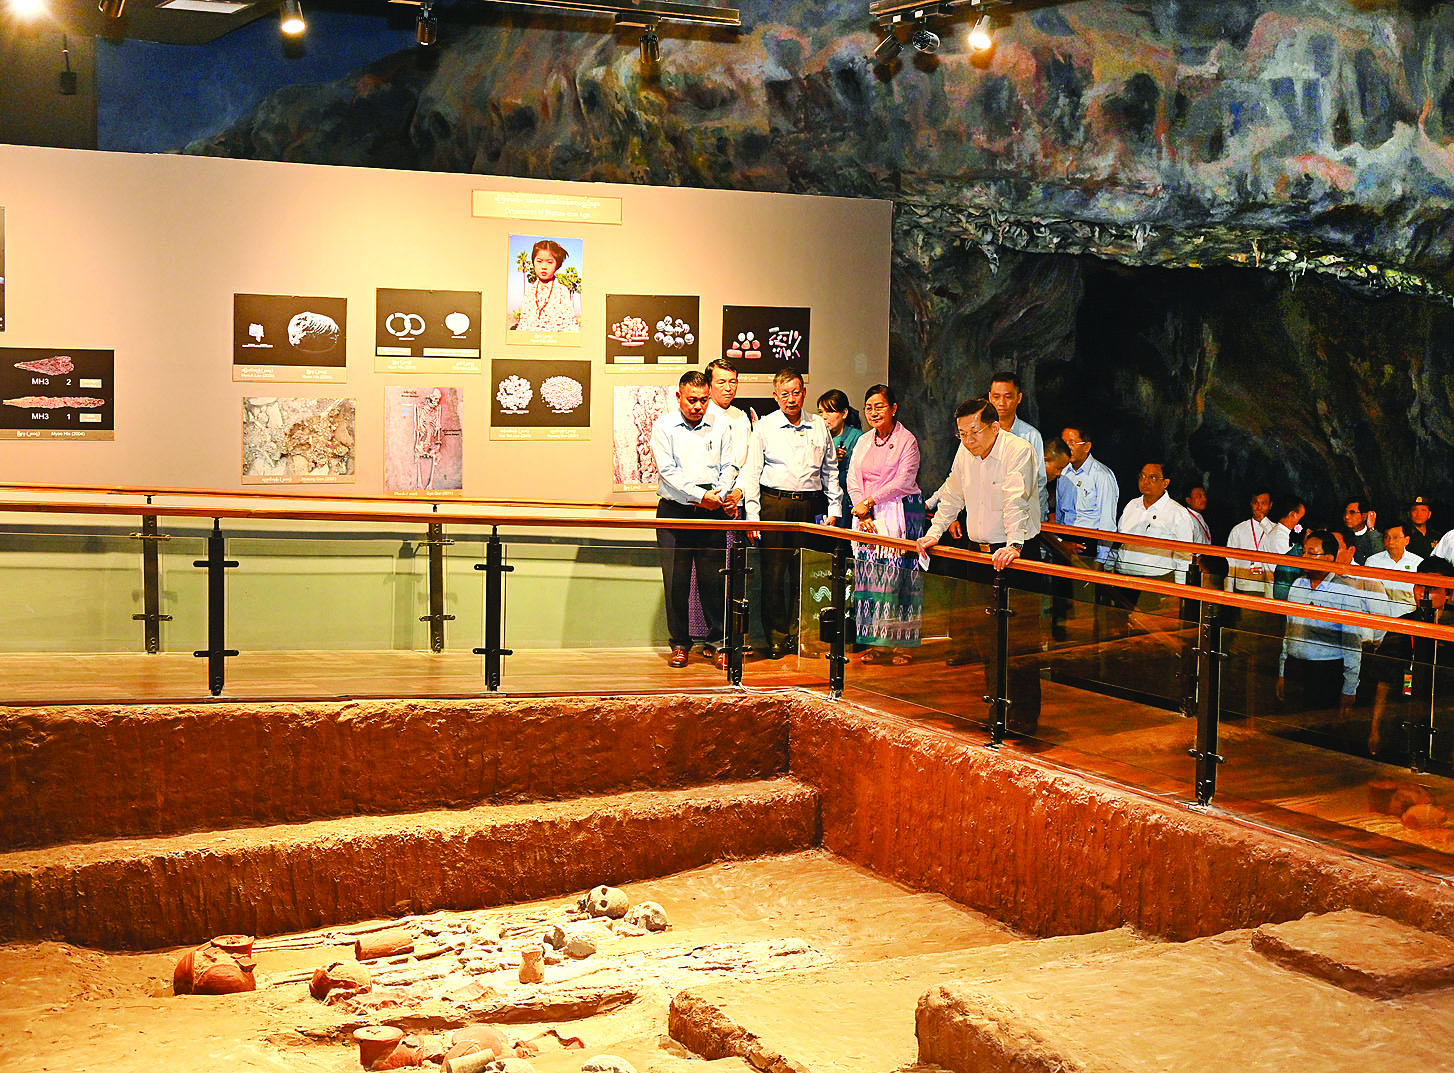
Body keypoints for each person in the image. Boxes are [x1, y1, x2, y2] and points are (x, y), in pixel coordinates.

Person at [917, 397, 1041, 729]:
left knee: (1017, 641)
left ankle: (1023, 718)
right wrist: (934, 532)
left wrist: (1014, 544)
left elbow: (1016, 499)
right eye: (962, 434)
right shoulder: (965, 453)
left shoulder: (1018, 451)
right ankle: (997, 713)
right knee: (986, 638)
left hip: (1015, 554)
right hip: (978, 553)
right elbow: (952, 495)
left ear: (995, 426)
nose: (969, 440)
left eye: (975, 432)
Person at [740, 369, 841, 659]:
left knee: (806, 575)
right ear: (775, 396)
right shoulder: (765, 427)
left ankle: (801, 637)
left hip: (811, 507)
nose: (791, 399)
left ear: (804, 393)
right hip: (775, 504)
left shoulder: (818, 425)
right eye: (784, 394)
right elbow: (752, 473)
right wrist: (753, 515)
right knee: (773, 576)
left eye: (796, 392)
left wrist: (834, 507)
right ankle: (776, 637)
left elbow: (830, 470)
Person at [650, 370, 737, 669]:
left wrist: (720, 493)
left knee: (714, 581)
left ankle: (718, 642)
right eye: (692, 400)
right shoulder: (664, 427)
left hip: (712, 511)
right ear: (679, 397)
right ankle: (679, 644)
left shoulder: (720, 424)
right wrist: (700, 496)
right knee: (676, 582)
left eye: (703, 400)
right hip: (675, 512)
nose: (698, 406)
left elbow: (730, 465)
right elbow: (668, 472)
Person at [847, 383, 924, 664]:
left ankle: (902, 645)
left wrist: (870, 501)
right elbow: (853, 478)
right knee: (871, 580)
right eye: (869, 408)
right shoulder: (864, 440)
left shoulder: (907, 440)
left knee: (902, 582)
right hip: (867, 517)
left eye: (879, 406)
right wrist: (863, 511)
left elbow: (903, 481)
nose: (874, 412)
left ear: (893, 408)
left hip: (901, 514)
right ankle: (877, 643)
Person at [1277, 530, 1378, 716]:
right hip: (1295, 668)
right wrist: (1282, 671)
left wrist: (1349, 688)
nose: (1305, 557)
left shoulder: (1344, 592)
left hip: (1326, 672)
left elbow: (1352, 644)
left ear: (1329, 558)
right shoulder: (1297, 585)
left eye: (1312, 553)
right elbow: (1289, 632)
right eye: (1304, 552)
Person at [1369, 556, 1454, 760]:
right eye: (1419, 585)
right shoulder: (1403, 626)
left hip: (1445, 723)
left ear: (1449, 592)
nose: (1423, 593)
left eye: (1432, 588)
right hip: (1402, 719)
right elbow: (1384, 683)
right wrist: (1375, 728)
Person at [1110, 462, 1196, 603]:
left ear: (1165, 483)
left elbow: (1184, 556)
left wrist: (1179, 590)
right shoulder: (1132, 505)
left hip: (1155, 581)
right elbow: (1118, 541)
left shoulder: (1178, 513)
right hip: (1123, 578)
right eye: (1142, 476)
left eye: (1152, 477)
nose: (1145, 481)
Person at [988, 371, 1048, 522]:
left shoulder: (1031, 436)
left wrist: (1037, 518)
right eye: (996, 397)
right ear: (989, 397)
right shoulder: (979, 433)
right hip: (985, 517)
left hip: (1021, 517)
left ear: (1019, 398)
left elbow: (1039, 481)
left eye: (1008, 397)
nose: (1001, 403)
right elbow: (961, 476)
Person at [1055, 422, 1119, 563]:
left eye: (1072, 443)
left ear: (1086, 446)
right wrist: (1059, 541)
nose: (1066, 448)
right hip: (1065, 542)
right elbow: (1059, 514)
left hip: (1088, 544)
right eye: (1063, 443)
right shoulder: (1062, 472)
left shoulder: (1102, 475)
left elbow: (1107, 523)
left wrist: (1101, 560)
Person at [816, 389, 863, 529]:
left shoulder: (857, 438)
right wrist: (828, 458)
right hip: (820, 500)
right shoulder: (816, 436)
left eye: (830, 411)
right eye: (820, 412)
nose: (824, 417)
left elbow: (856, 475)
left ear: (844, 413)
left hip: (847, 502)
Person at [512, 239, 579, 332]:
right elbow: (523, 323)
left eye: (549, 262)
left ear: (557, 265)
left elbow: (570, 324)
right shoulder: (530, 292)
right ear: (533, 263)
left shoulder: (562, 291)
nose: (544, 267)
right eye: (539, 261)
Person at [1364, 520, 1423, 619]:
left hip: (1408, 619)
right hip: (1378, 618)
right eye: (1387, 537)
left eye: (1395, 537)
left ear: (1407, 540)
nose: (1390, 542)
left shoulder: (1418, 563)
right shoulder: (1372, 562)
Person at [1224, 490, 1275, 598]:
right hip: (1243, 588)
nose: (1259, 507)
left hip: (1269, 589)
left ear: (1270, 505)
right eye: (1256, 503)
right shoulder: (1238, 530)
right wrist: (1228, 591)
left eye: (1263, 503)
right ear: (1251, 504)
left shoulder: (1275, 530)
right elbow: (1230, 563)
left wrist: (1265, 522)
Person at [1266, 495, 1307, 600]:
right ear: (1293, 514)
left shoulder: (1285, 534)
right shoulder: (1279, 537)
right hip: (1279, 594)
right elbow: (1291, 567)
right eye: (1302, 516)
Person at [1343, 498, 1384, 564]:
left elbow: (1380, 557)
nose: (1346, 517)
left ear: (1364, 516)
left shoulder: (1375, 537)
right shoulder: (1340, 536)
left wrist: (1371, 529)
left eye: (1352, 513)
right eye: (1345, 513)